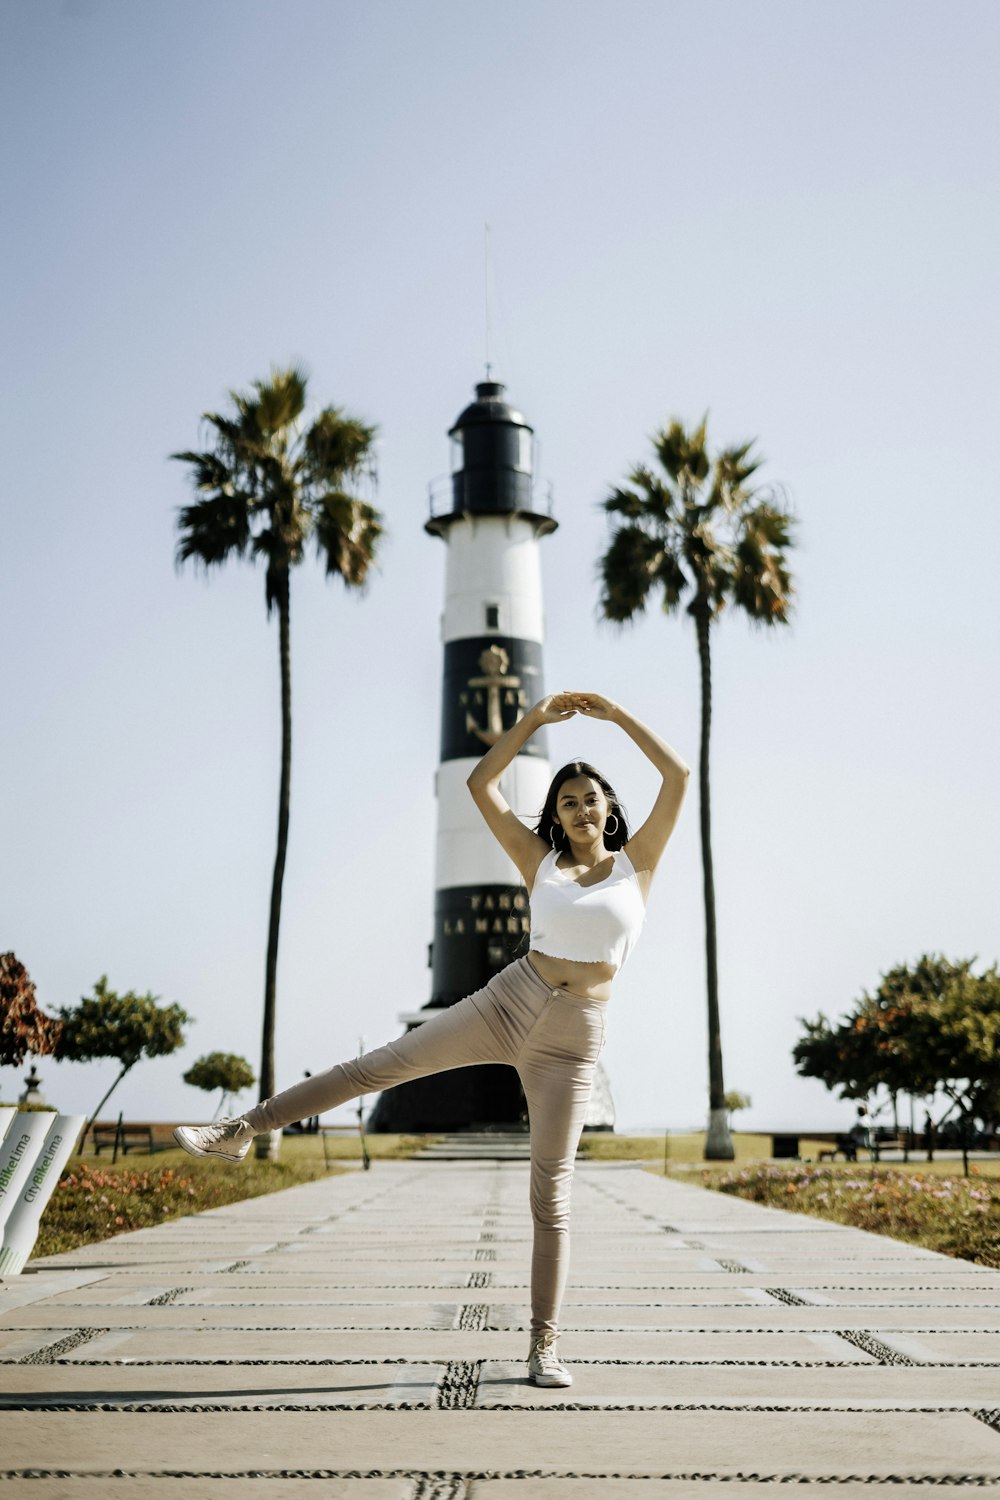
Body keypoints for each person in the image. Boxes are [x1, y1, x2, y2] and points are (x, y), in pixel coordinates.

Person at [174, 691, 689, 1387]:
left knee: (552, 1193)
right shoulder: (536, 860)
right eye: (566, 802)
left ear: (608, 807)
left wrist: (617, 718)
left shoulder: (638, 865)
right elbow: (480, 783)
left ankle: (543, 1347)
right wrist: (530, 723)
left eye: (590, 798)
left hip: (574, 1039)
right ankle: (242, 1127)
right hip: (512, 999)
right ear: (556, 816)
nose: (579, 809)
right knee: (375, 1068)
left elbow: (679, 775)